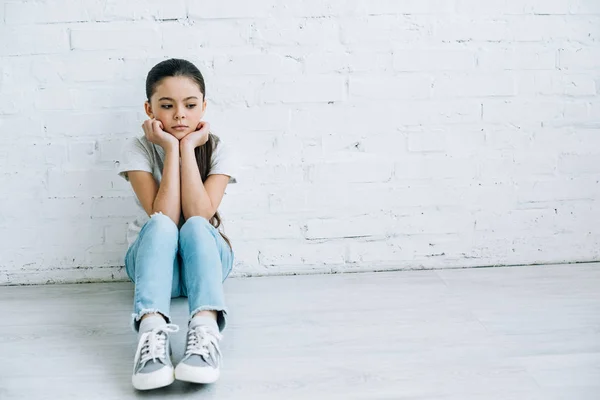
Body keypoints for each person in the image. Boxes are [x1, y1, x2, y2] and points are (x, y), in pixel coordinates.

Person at [116, 58, 237, 390]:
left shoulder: (218, 148)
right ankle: (151, 332)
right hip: (155, 269)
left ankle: (205, 328)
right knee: (160, 226)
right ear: (149, 108)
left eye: (190, 105)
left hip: (207, 263)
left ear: (203, 107)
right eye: (167, 106)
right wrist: (172, 149)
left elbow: (200, 213)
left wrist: (189, 147)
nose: (180, 114)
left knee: (197, 226)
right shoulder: (139, 149)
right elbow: (165, 217)